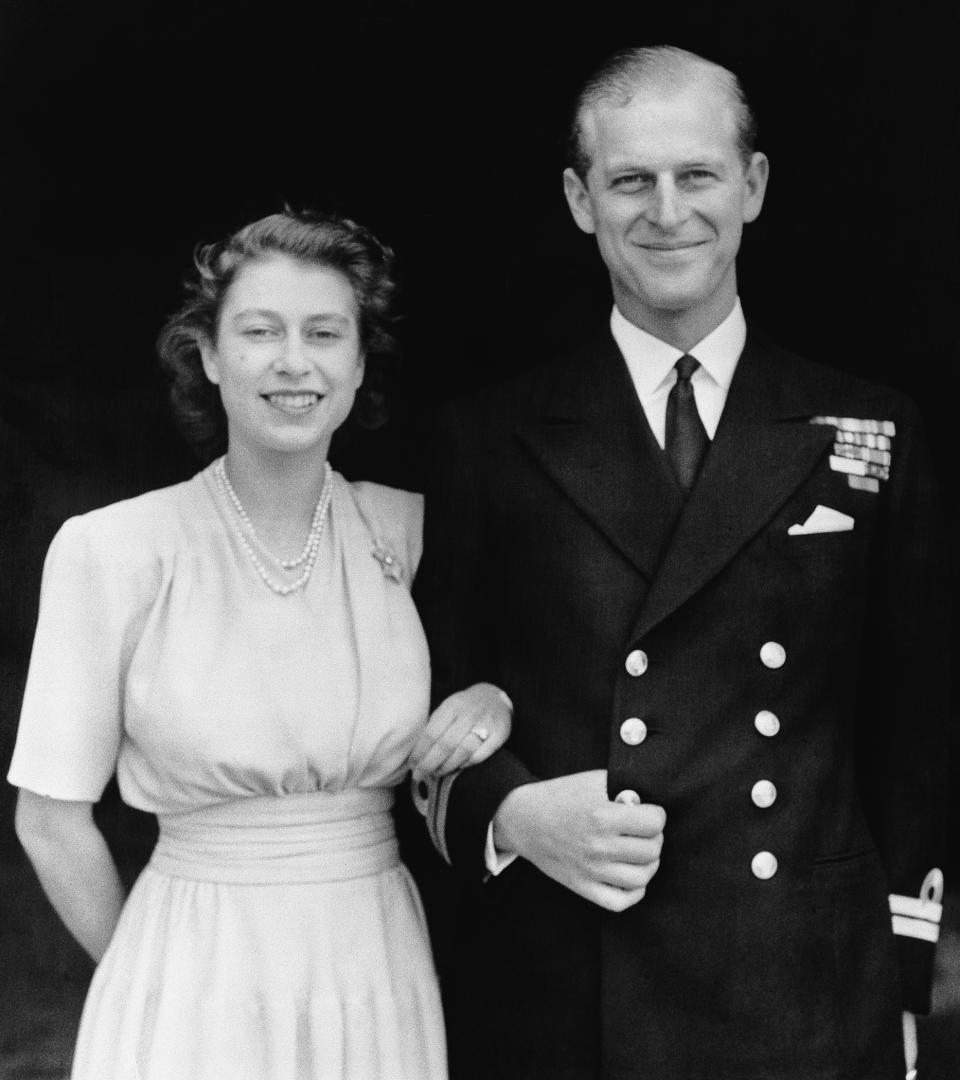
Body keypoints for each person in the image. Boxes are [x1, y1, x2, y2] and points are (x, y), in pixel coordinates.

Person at [414, 46, 948, 1079]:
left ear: (751, 187)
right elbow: (426, 698)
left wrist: (903, 977)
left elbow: (915, 731)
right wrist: (514, 815)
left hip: (806, 984)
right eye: (630, 180)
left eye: (696, 175)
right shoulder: (493, 435)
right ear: (581, 201)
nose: (668, 211)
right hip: (571, 987)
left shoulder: (873, 427)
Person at [8, 210, 513, 1080]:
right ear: (208, 354)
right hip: (190, 961)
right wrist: (149, 977)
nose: (293, 361)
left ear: (358, 364)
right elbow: (50, 821)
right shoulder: (114, 551)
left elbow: (525, 683)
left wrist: (495, 698)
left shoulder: (416, 532)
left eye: (324, 333)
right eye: (259, 331)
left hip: (373, 962)